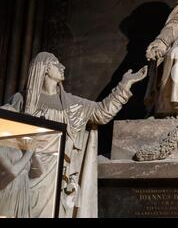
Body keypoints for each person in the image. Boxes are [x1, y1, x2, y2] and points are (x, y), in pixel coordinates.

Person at [2, 52, 147, 217]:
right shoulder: (21, 100)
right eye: (56, 64)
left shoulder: (71, 105)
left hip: (56, 175)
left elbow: (102, 112)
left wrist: (124, 86)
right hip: (28, 172)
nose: (62, 67)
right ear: (45, 68)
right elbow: (7, 135)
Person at [0, 137, 43, 218]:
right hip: (8, 195)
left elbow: (38, 172)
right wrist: (29, 151)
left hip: (23, 196)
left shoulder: (22, 149)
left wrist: (33, 154)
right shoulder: (2, 147)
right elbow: (12, 172)